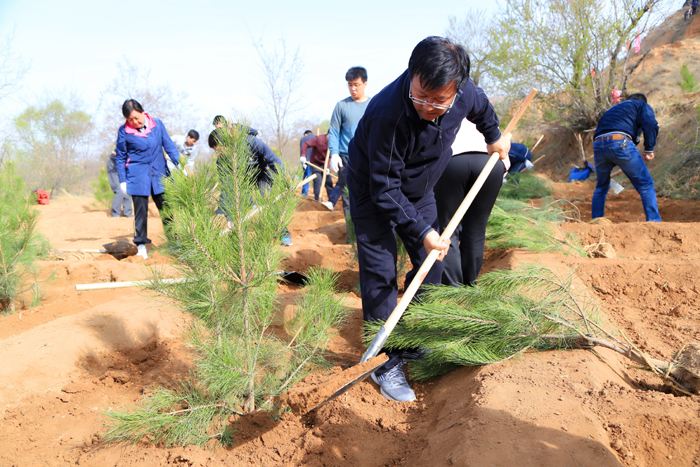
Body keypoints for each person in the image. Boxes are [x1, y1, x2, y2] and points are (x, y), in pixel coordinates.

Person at [348, 36, 509, 402]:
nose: (428, 107)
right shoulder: (387, 113)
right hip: (373, 190)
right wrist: (421, 230)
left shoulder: (466, 94)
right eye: (421, 96)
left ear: (456, 90)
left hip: (421, 188)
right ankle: (385, 362)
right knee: (379, 272)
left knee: (432, 263)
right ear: (412, 75)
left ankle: (413, 337)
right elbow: (384, 188)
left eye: (439, 100)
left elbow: (483, 109)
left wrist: (494, 138)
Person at [435, 121, 507, 287]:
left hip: (454, 161)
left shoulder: (446, 113)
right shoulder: (486, 117)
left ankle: (452, 287)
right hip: (491, 163)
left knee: (448, 228)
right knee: (476, 227)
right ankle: (470, 284)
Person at [115, 99, 179, 259]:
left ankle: (175, 243)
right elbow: (120, 157)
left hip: (159, 173)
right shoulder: (124, 132)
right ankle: (141, 245)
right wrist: (122, 180)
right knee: (141, 212)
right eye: (130, 120)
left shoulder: (157, 124)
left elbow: (169, 145)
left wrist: (180, 164)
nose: (134, 122)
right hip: (137, 175)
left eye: (136, 118)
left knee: (167, 209)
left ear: (142, 112)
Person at [208, 124, 292, 246]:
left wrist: (284, 180)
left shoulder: (251, 142)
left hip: (264, 174)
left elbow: (275, 161)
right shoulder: (222, 161)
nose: (218, 154)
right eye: (215, 151)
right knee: (241, 204)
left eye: (219, 149)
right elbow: (227, 188)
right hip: (244, 181)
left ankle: (283, 233)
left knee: (267, 202)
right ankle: (238, 240)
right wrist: (226, 215)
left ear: (226, 142)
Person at [592, 93, 660, 222]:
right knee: (646, 185)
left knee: (601, 186)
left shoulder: (613, 109)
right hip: (620, 142)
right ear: (643, 101)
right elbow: (651, 124)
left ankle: (596, 220)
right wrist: (649, 149)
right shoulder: (641, 105)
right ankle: (654, 221)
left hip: (598, 145)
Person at [324, 66, 371, 217]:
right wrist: (334, 153)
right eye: (350, 85)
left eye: (356, 85)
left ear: (365, 83)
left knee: (369, 192)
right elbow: (334, 131)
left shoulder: (373, 105)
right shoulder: (341, 106)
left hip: (368, 156)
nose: (353, 89)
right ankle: (351, 229)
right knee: (347, 193)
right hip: (346, 156)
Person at [301, 131, 334, 202]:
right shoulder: (319, 139)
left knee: (328, 181)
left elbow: (331, 156)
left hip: (326, 164)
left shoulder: (334, 143)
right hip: (316, 164)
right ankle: (318, 199)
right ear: (328, 135)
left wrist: (328, 167)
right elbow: (306, 144)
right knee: (318, 180)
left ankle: (332, 201)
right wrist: (303, 155)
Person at [106, 149, 133, 217]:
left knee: (127, 189)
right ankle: (115, 214)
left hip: (124, 165)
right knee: (119, 190)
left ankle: (128, 213)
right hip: (114, 164)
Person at [299, 130, 315, 197]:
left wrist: (303, 160)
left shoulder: (303, 139)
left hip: (307, 160)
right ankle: (316, 193)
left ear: (305, 134)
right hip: (316, 161)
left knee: (306, 176)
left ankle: (304, 193)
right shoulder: (316, 137)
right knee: (317, 177)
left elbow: (302, 150)